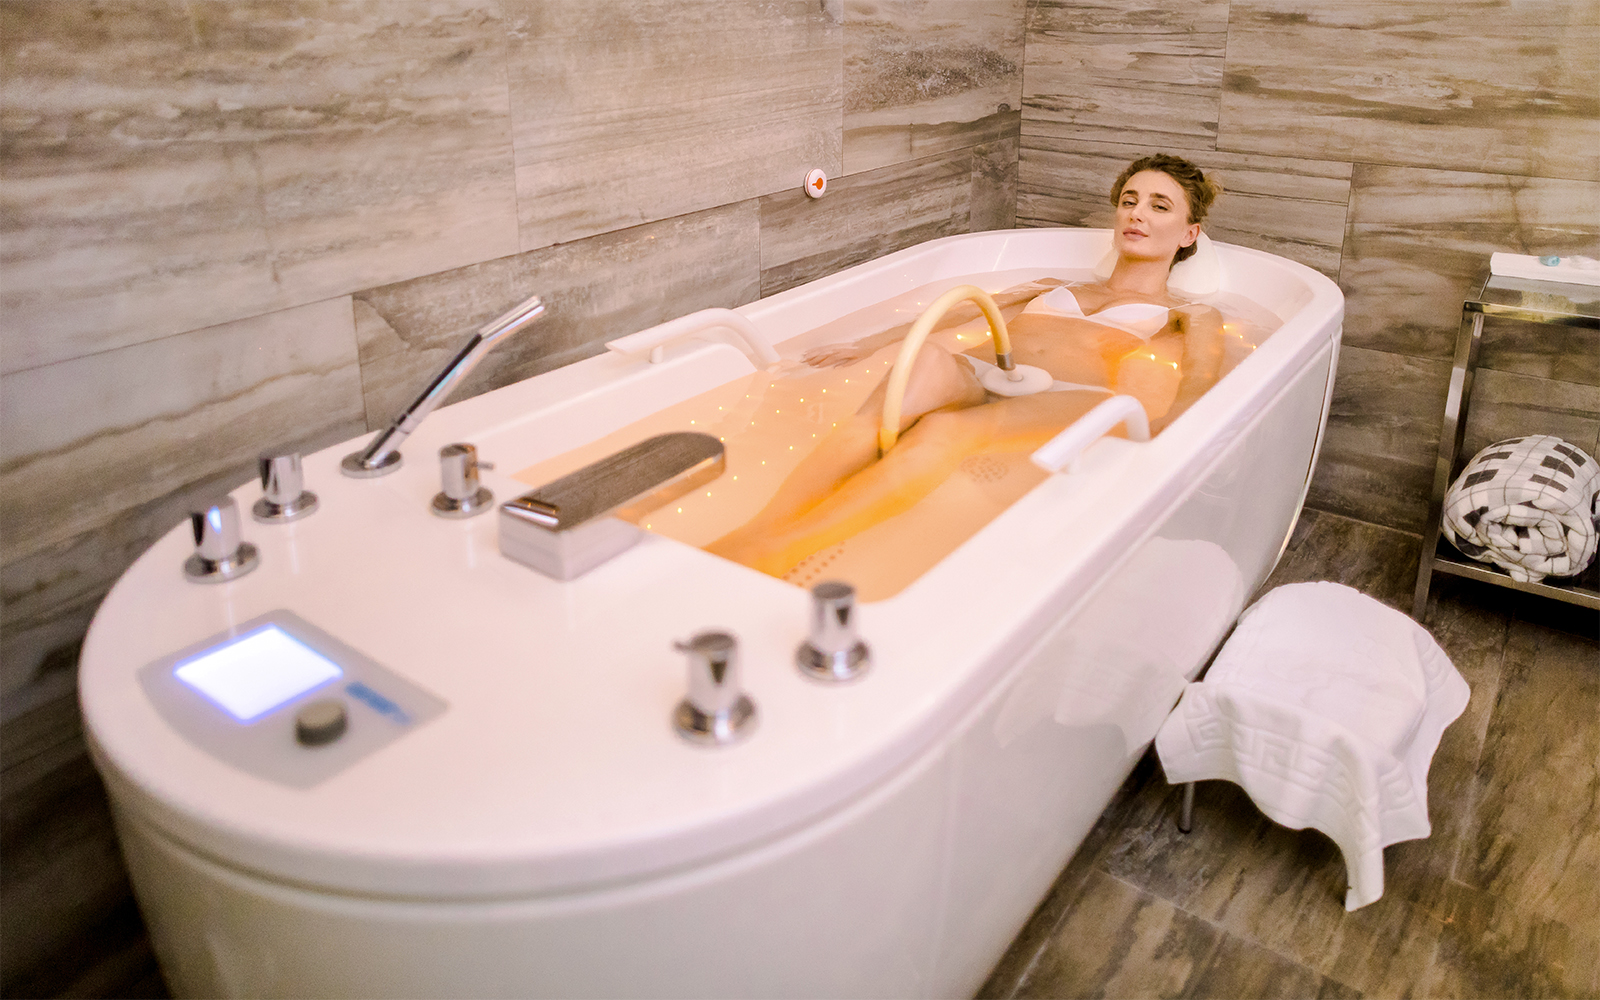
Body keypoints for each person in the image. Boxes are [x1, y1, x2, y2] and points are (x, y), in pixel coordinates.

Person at [708, 154, 1226, 577]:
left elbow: (1201, 373)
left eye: (1159, 206)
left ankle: (781, 549)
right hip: (985, 370)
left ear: (1189, 234)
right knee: (905, 383)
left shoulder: (1189, 314)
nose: (1137, 213)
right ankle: (754, 531)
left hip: (1066, 395)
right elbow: (965, 309)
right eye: (1129, 200)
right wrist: (869, 343)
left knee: (944, 429)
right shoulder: (1054, 285)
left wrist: (1170, 429)